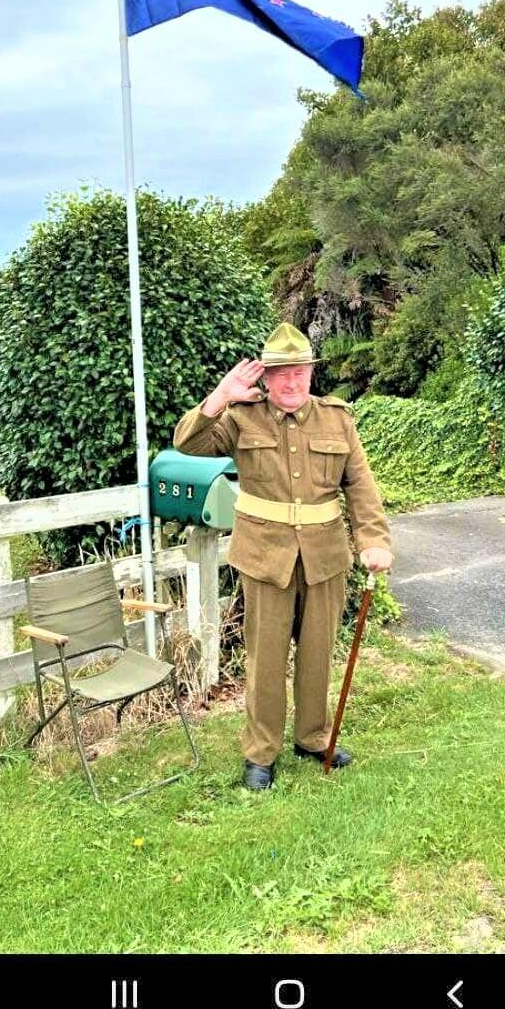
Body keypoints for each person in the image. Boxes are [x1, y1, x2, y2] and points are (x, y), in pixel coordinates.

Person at [173, 322, 393, 789]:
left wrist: (373, 539)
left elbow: (361, 486)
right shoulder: (239, 417)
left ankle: (313, 738)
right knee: (266, 660)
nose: (291, 383)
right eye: (281, 374)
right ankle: (260, 754)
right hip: (265, 557)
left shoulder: (338, 419)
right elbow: (187, 444)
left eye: (300, 373)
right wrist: (219, 397)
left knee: (316, 656)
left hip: (325, 557)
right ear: (265, 378)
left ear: (311, 374)